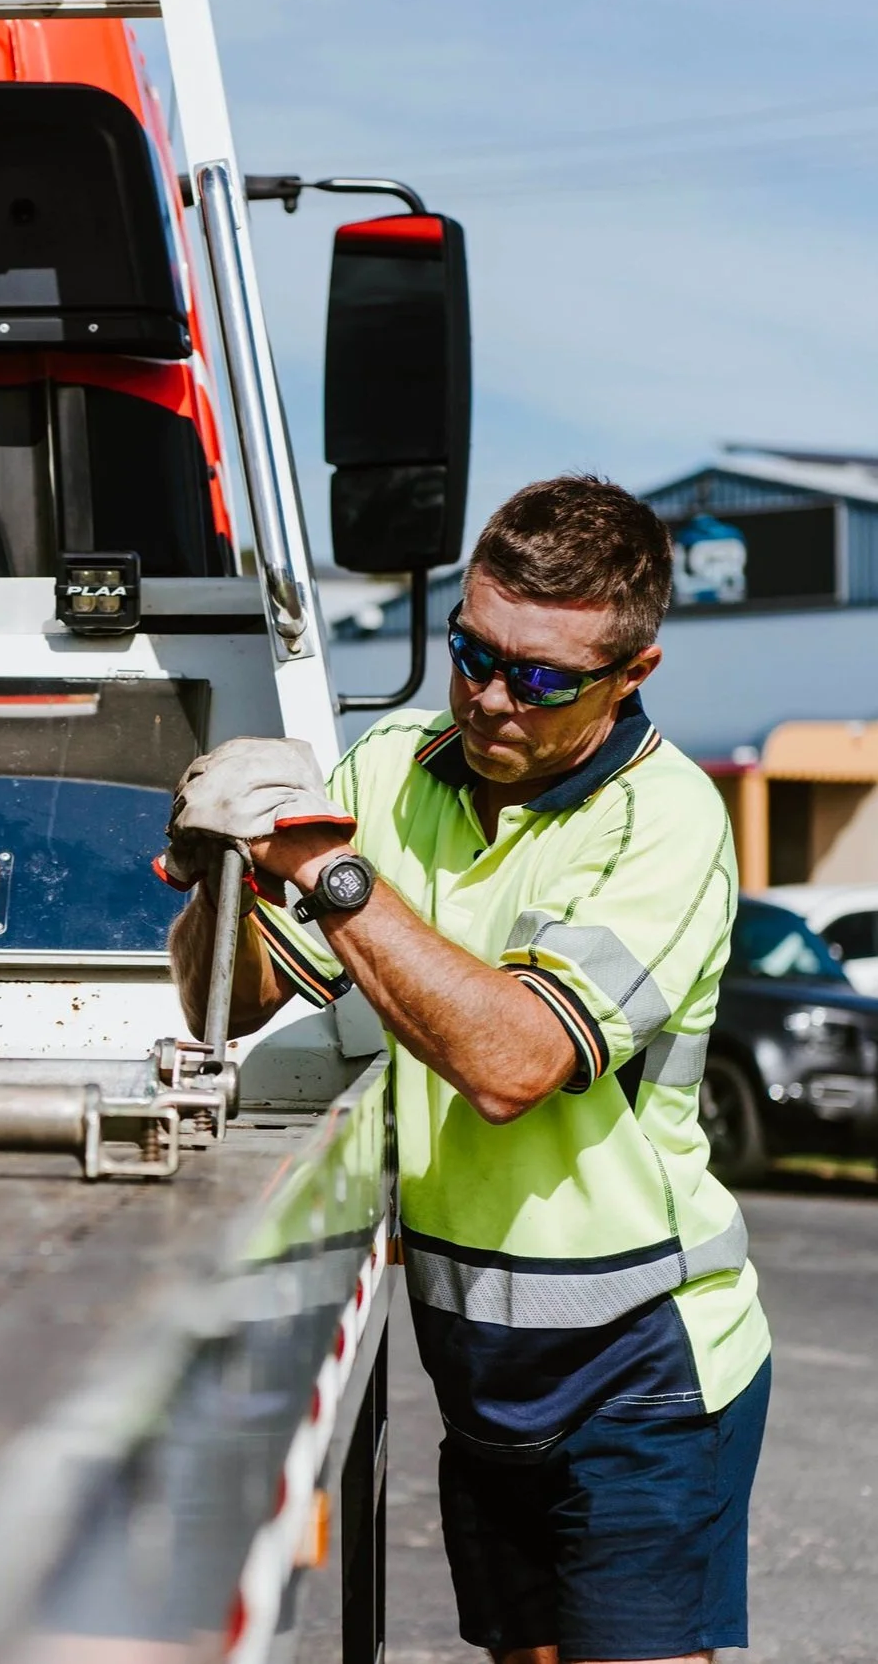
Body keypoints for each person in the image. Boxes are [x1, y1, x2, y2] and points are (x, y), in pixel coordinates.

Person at [167, 475, 771, 1664]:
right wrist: (219, 871)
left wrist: (327, 872)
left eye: (542, 678)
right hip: (477, 1363)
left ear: (631, 675)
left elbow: (513, 1060)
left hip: (640, 1362)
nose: (493, 697)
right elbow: (217, 1002)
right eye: (471, 651)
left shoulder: (669, 822)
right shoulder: (392, 765)